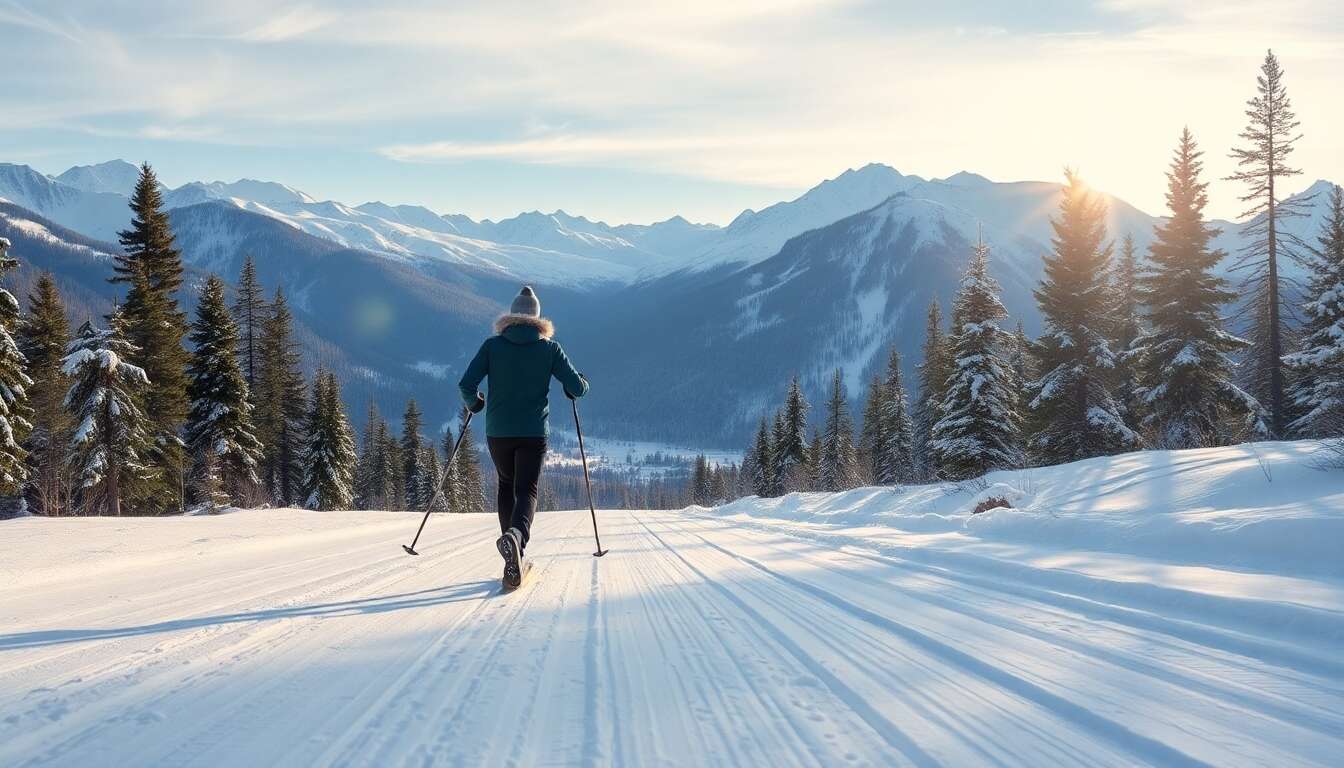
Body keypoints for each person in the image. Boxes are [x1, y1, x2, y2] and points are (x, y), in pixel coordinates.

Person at [458, 286, 588, 587]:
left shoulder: (492, 346)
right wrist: (580, 383)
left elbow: (466, 385)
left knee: (506, 485)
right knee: (526, 489)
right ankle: (516, 538)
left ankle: (512, 557)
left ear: (512, 315)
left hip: (498, 432)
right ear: (537, 318)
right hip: (532, 432)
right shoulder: (550, 349)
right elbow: (577, 388)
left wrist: (475, 404)